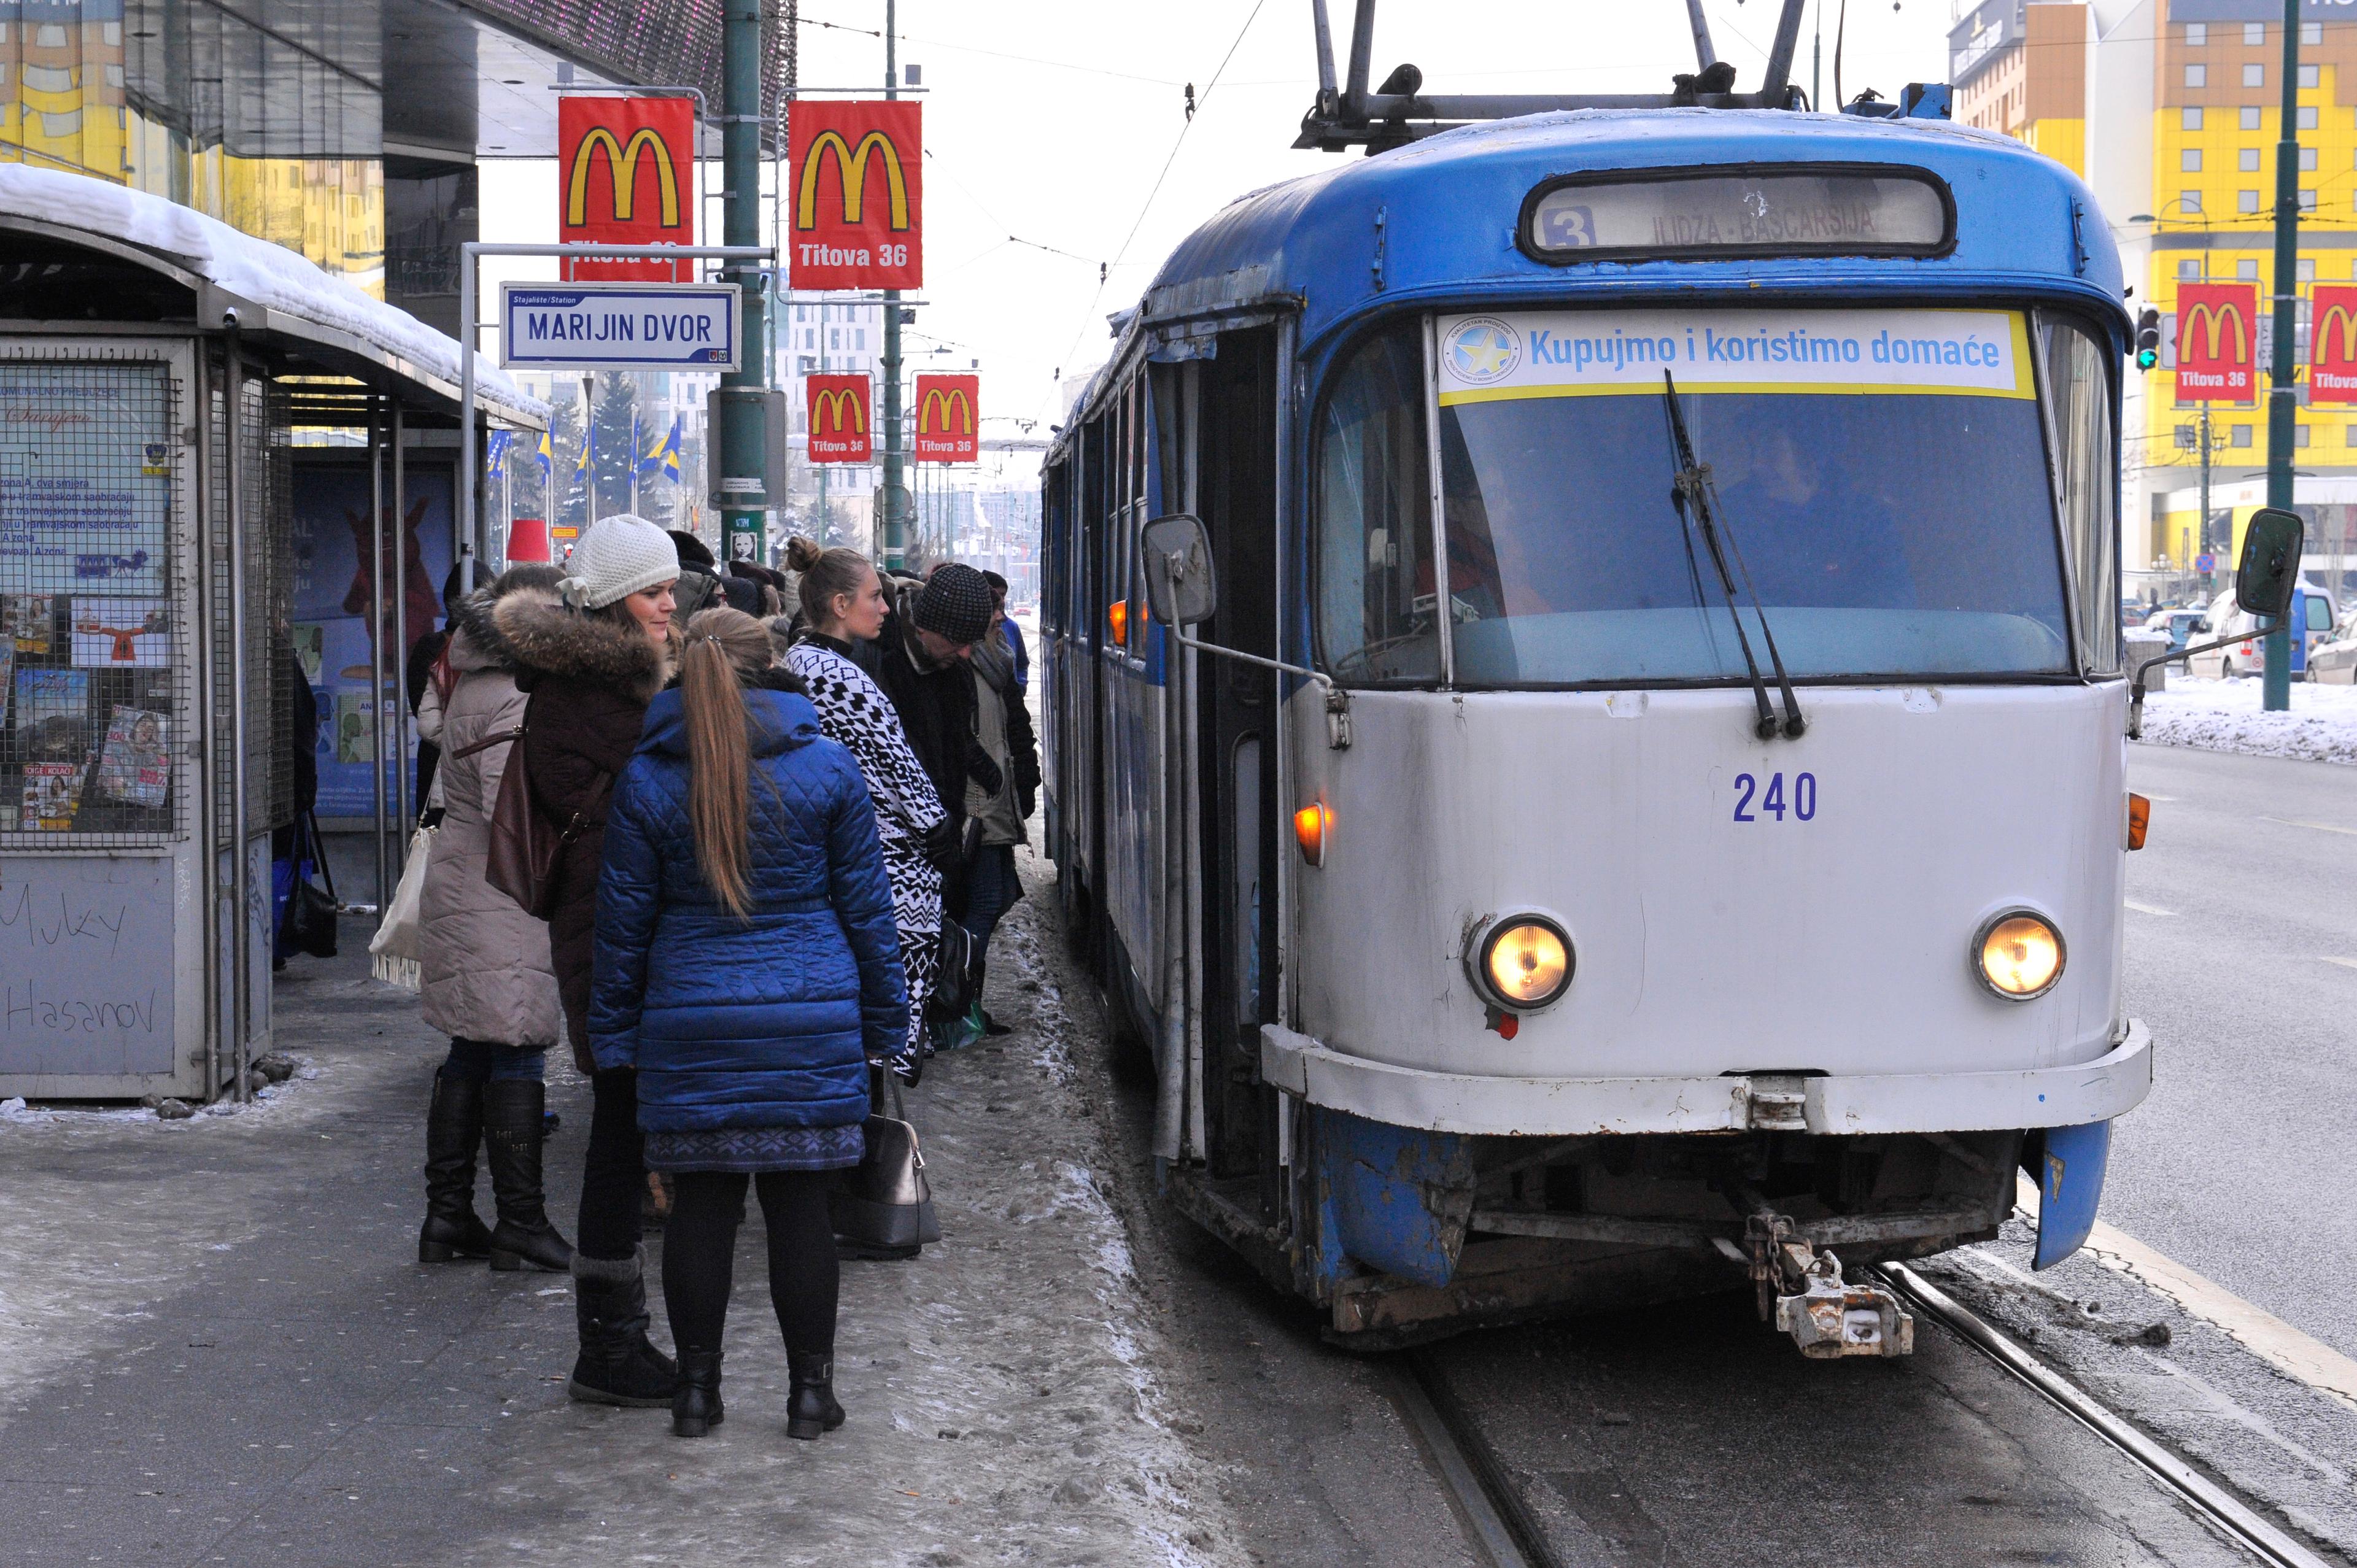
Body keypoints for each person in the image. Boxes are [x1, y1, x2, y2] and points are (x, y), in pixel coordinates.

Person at [590, 608, 908, 1441]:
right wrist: (885, 1021)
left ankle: (697, 1393)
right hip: (809, 1017)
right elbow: (869, 912)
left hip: (690, 1019)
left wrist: (615, 1041)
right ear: (770, 666)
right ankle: (811, 1396)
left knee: (702, 1209)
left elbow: (621, 927)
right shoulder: (828, 769)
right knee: (802, 1210)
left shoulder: (650, 776)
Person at [493, 512, 681, 1408]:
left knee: (626, 1130)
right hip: (612, 940)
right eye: (654, 591)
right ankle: (609, 1344)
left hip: (611, 934)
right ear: (612, 605)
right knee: (619, 1136)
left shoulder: (599, 688)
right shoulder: (601, 699)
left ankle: (615, 1340)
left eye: (673, 590)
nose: (669, 607)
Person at [412, 563, 571, 1274]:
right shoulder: (513, 698)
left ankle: (448, 1216)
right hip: (501, 892)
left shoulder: (473, 681)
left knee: (472, 1048)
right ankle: (521, 1221)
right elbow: (517, 810)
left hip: (467, 882)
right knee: (516, 1045)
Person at [776, 537, 959, 1083]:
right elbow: (899, 769)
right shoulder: (838, 677)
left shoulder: (799, 664)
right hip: (884, 866)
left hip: (840, 854)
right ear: (839, 605)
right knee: (880, 1020)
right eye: (875, 597)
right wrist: (941, 830)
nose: (885, 609)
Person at [957, 583, 1040, 1041]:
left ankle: (965, 1003)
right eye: (992, 610)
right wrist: (990, 775)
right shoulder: (966, 671)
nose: (1000, 618)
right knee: (986, 903)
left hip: (993, 806)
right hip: (978, 810)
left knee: (999, 896)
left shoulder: (993, 664)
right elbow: (959, 737)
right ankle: (958, 1005)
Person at [983, 570, 1028, 692]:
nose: (1002, 600)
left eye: (1004, 595)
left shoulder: (1011, 627)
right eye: (999, 595)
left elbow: (1022, 663)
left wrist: (1021, 685)